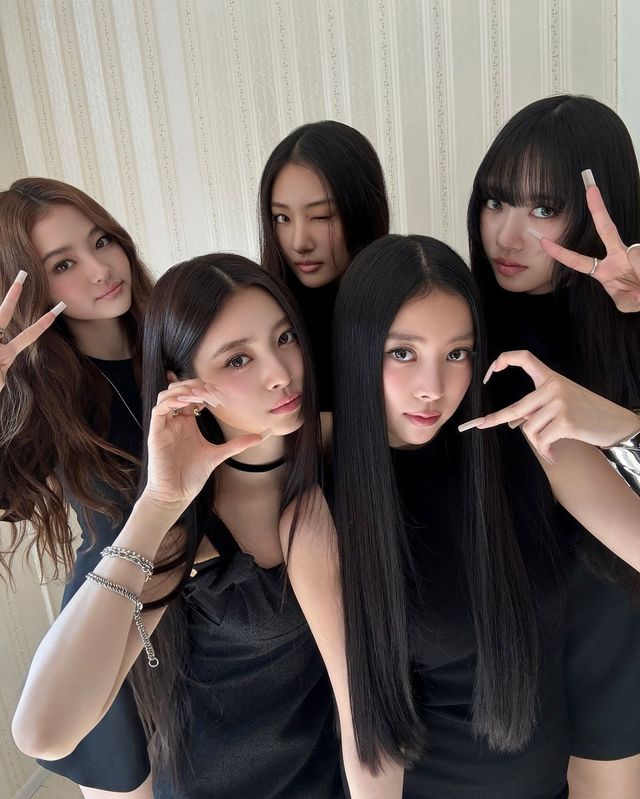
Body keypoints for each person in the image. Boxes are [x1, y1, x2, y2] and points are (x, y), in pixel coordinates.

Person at [12, 253, 345, 799]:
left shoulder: (349, 446)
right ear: (184, 384)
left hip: (337, 775)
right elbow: (43, 732)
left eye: (284, 338)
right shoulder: (187, 528)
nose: (281, 374)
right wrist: (160, 502)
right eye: (238, 360)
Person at [329, 234, 640, 798]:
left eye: (457, 354)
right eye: (403, 353)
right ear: (357, 348)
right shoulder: (326, 496)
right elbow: (366, 738)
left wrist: (625, 428)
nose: (432, 389)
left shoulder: (524, 437)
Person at [467, 94, 640, 795]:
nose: (507, 235)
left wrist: (621, 426)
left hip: (609, 626)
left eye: (542, 209)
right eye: (496, 201)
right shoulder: (457, 327)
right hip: (492, 646)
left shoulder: (628, 335)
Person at [0, 177, 155, 798]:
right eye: (63, 265)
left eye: (101, 241)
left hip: (218, 623)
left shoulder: (184, 344)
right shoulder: (44, 398)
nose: (99, 270)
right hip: (107, 623)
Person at [259, 120, 389, 408]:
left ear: (363, 212)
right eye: (282, 218)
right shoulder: (262, 314)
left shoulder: (405, 306)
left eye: (321, 216)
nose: (299, 242)